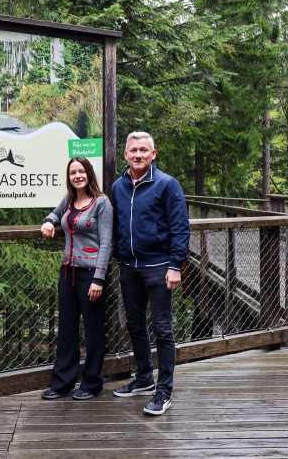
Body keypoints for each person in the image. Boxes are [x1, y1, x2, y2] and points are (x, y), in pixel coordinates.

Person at [110, 131, 190, 416]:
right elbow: (115, 224)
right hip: (129, 267)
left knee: (163, 329)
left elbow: (181, 228)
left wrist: (174, 265)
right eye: (133, 150)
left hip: (158, 267)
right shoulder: (118, 186)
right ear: (126, 155)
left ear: (153, 154)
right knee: (134, 325)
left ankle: (164, 391)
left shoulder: (167, 185)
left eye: (144, 150)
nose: (138, 155)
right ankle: (144, 378)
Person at [40, 157, 113, 401]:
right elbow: (55, 212)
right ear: (69, 177)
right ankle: (63, 382)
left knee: (92, 330)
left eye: (81, 171)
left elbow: (106, 243)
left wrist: (99, 279)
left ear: (89, 174)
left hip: (91, 273)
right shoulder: (69, 199)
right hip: (68, 272)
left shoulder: (102, 203)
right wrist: (49, 221)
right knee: (67, 329)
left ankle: (92, 383)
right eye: (73, 172)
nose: (77, 176)